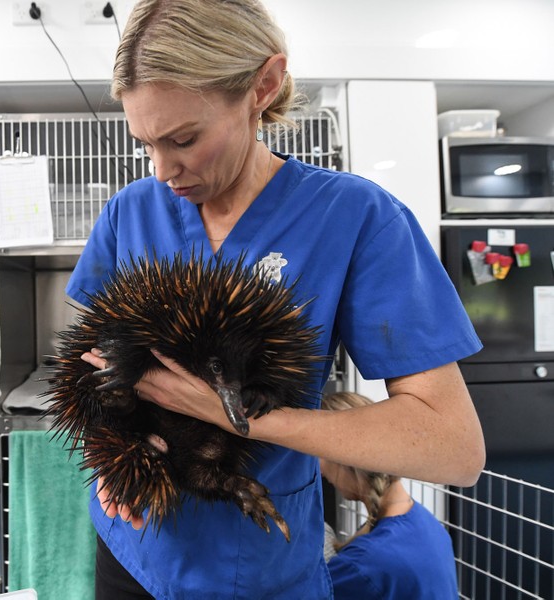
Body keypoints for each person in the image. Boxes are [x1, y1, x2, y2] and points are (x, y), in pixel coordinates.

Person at [67, 0, 486, 597]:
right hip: (131, 547)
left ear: (263, 85)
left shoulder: (357, 217)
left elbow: (454, 449)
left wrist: (238, 414)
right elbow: (90, 363)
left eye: (184, 138)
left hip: (257, 565)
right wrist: (111, 454)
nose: (162, 171)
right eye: (147, 144)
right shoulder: (129, 212)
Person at [320, 391, 459, 599]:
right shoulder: (427, 524)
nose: (321, 471)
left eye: (318, 455)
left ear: (345, 457)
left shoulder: (362, 565)